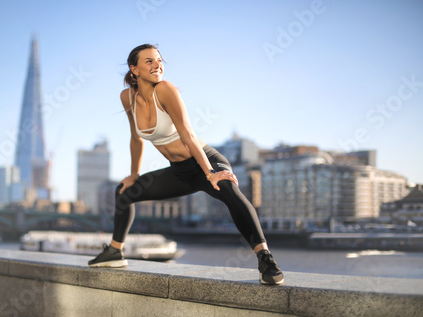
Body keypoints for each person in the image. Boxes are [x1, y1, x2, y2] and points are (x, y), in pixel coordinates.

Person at [88, 44, 284, 286]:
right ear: (134, 68)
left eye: (159, 60)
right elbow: (136, 138)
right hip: (179, 172)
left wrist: (211, 173)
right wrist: (133, 175)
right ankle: (115, 252)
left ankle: (265, 259)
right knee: (124, 192)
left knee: (230, 190)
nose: (157, 64)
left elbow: (188, 135)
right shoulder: (127, 97)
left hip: (206, 161)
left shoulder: (166, 90)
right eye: (148, 61)